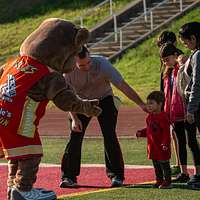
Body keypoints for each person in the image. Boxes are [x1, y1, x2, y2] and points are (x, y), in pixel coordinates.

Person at [0, 19, 102, 200]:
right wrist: (85, 106)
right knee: (31, 154)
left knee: (16, 153)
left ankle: (12, 187)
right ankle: (23, 189)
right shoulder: (47, 74)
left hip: (2, 115)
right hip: (20, 118)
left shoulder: (14, 63)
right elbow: (65, 99)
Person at [60, 46, 146, 188]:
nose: (87, 67)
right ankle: (68, 177)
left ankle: (116, 175)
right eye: (82, 65)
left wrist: (141, 104)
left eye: (88, 62)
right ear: (74, 61)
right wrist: (75, 119)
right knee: (75, 136)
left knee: (109, 134)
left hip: (104, 99)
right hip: (80, 102)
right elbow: (66, 97)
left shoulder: (102, 64)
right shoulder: (67, 71)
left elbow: (122, 86)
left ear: (90, 56)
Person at [157, 31, 186, 176]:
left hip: (184, 108)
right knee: (175, 135)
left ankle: (182, 166)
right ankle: (179, 164)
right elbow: (165, 88)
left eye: (164, 45)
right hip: (172, 108)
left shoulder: (181, 61)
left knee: (186, 139)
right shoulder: (166, 65)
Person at [179, 21, 200, 187]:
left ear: (193, 38)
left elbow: (196, 84)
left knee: (193, 139)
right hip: (195, 102)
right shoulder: (195, 54)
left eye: (186, 42)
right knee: (191, 140)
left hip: (196, 104)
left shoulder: (198, 55)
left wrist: (191, 109)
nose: (186, 45)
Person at [136, 91, 172, 189]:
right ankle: (159, 180)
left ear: (160, 104)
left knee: (164, 165)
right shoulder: (149, 117)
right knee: (156, 165)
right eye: (148, 104)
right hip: (152, 147)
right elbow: (149, 130)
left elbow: (166, 133)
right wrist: (141, 132)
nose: (149, 106)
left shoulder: (163, 117)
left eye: (151, 103)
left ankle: (168, 182)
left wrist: (165, 143)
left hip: (162, 147)